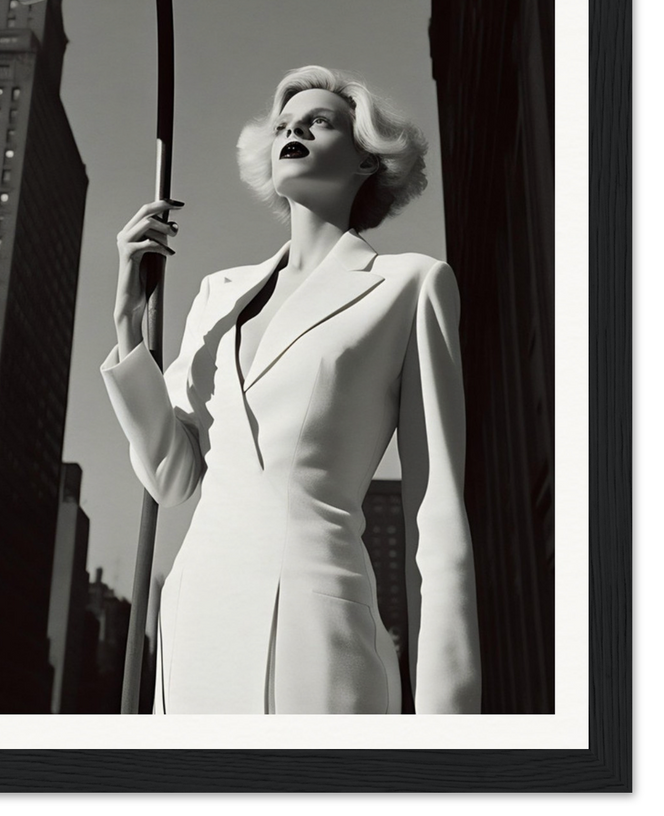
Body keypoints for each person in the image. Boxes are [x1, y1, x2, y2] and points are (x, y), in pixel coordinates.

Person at [101, 66, 479, 714]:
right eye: (282, 124)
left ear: (366, 158)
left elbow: (436, 517)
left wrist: (450, 728)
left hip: (317, 633)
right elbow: (173, 478)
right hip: (194, 624)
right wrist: (127, 327)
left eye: (318, 120)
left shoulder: (411, 285)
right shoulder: (217, 294)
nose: (293, 129)